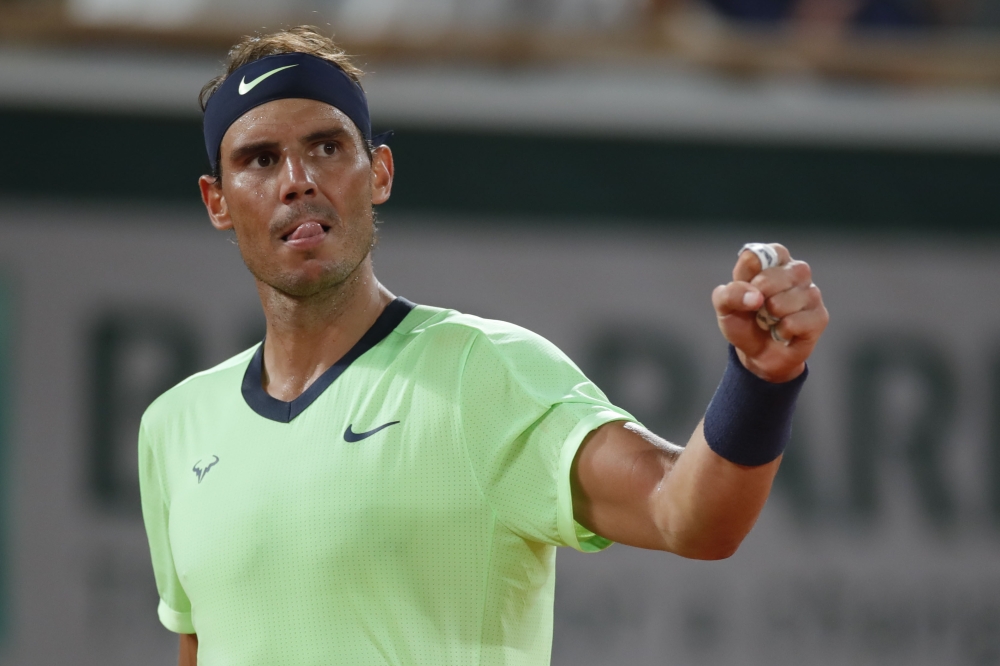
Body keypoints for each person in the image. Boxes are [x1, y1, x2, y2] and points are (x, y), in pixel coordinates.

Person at [138, 26, 829, 666]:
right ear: (217, 201)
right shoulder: (173, 427)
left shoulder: (484, 372)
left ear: (378, 172)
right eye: (260, 159)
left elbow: (688, 517)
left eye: (326, 147)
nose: (298, 180)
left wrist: (761, 381)